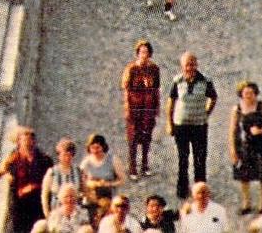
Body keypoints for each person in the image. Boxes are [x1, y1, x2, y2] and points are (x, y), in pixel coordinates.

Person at [0, 125, 53, 233]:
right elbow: (1, 171)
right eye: (24, 140)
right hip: (21, 201)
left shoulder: (44, 159)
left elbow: (51, 179)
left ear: (33, 142)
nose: (28, 143)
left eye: (30, 140)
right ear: (19, 142)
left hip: (38, 200)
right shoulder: (15, 157)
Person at [166, 50, 218, 201]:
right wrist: (169, 124)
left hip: (199, 125)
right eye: (187, 64)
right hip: (181, 125)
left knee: (200, 158)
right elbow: (170, 103)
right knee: (183, 158)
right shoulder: (177, 81)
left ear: (196, 64)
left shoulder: (206, 81)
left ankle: (200, 190)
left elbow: (213, 98)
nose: (190, 67)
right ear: (182, 66)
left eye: (192, 64)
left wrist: (206, 112)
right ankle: (182, 189)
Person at [228, 80, 262, 217]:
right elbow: (232, 130)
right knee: (244, 176)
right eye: (245, 93)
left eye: (251, 93)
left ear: (256, 93)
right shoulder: (237, 108)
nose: (248, 95)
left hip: (260, 144)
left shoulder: (261, 106)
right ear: (241, 94)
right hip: (244, 145)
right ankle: (246, 203)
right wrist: (233, 149)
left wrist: (261, 130)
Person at [122, 39, 162, 178]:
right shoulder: (131, 69)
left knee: (147, 136)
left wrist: (157, 107)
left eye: (146, 52)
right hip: (135, 107)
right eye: (141, 52)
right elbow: (126, 89)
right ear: (137, 53)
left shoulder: (154, 69)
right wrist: (127, 108)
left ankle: (145, 164)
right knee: (133, 137)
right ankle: (132, 167)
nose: (144, 54)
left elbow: (157, 88)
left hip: (148, 108)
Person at [80, 133, 126, 227]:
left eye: (98, 147)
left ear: (103, 147)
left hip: (109, 196)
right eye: (92, 148)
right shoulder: (86, 163)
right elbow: (81, 182)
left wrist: (108, 184)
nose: (95, 151)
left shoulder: (113, 160)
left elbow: (122, 180)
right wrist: (91, 183)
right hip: (92, 197)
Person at [41, 139, 82, 217]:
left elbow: (84, 190)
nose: (67, 158)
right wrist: (47, 214)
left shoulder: (78, 171)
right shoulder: (52, 172)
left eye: (69, 155)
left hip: (75, 213)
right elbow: (44, 195)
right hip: (56, 213)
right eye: (64, 155)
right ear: (59, 155)